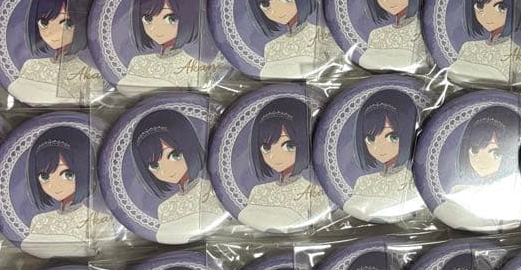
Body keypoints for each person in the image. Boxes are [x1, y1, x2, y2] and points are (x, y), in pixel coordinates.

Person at [238, 96, 330, 232]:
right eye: (266, 147)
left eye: (288, 145)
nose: (275, 156)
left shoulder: (315, 193)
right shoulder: (258, 191)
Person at [9, 0, 105, 105]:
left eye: (67, 24)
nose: (53, 33)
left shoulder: (91, 72)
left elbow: (94, 101)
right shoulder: (31, 66)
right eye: (44, 22)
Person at [245, 0, 341, 79]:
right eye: (265, 4)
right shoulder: (270, 48)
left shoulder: (325, 36)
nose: (277, 10)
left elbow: (335, 69)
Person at [132, 109, 224, 243]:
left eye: (174, 155)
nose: (167, 170)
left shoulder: (213, 191)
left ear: (188, 147)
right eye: (155, 166)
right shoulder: (164, 209)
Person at [23, 125, 113, 257]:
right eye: (45, 176)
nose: (55, 185)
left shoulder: (101, 220)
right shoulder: (39, 220)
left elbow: (107, 254)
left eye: (68, 174)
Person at [120, 0, 211, 95]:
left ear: (188, 18)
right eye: (148, 18)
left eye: (171, 19)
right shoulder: (137, 62)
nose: (156, 28)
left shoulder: (196, 69)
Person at [345, 88, 421, 221]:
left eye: (392, 137)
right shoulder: (363, 182)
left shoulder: (414, 180)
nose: (378, 147)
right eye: (370, 139)